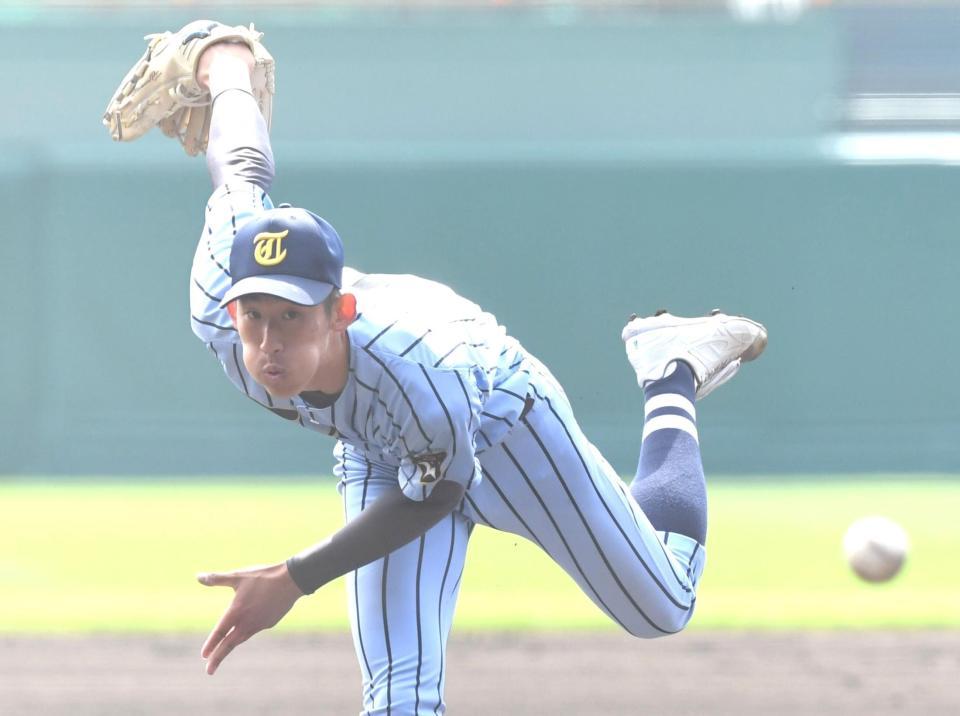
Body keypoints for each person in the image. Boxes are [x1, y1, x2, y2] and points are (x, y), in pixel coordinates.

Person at [179, 37, 766, 714]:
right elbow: (241, 169)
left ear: (339, 312)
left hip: (503, 427)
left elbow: (436, 491)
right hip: (381, 448)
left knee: (663, 605)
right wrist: (225, 65)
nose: (268, 341)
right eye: (253, 316)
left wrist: (295, 577)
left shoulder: (418, 365)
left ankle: (671, 371)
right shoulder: (217, 300)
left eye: (290, 318)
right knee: (399, 697)